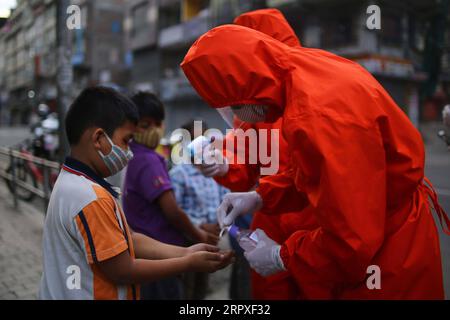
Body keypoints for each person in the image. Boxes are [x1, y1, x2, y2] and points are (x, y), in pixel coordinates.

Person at [180, 25, 450, 299]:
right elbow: (315, 173)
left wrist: (281, 256)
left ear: (250, 83)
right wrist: (262, 196)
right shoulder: (303, 76)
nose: (243, 117)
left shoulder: (318, 114)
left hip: (389, 254)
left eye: (236, 106)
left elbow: (352, 240)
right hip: (376, 235)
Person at [39, 86, 233, 300]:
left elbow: (129, 238)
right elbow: (123, 270)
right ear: (98, 139)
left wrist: (187, 252)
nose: (128, 151)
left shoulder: (75, 181)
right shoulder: (89, 198)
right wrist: (187, 262)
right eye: (125, 140)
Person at [196, 8, 318, 300]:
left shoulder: (310, 95)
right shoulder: (255, 102)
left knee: (317, 284)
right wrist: (224, 166)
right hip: (271, 214)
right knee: (269, 290)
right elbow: (244, 156)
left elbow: (331, 177)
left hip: (315, 217)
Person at [122, 92, 220, 300]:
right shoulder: (149, 160)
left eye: (158, 124)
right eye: (146, 125)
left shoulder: (134, 155)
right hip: (161, 251)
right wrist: (199, 235)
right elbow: (172, 210)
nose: (155, 130)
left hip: (152, 250)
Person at [169, 120, 229, 299]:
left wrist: (219, 224)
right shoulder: (179, 174)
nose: (201, 143)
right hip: (187, 242)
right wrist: (200, 227)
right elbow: (175, 209)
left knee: (202, 288)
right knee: (186, 287)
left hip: (212, 240)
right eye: (194, 139)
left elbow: (225, 199)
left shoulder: (215, 171)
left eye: (204, 138)